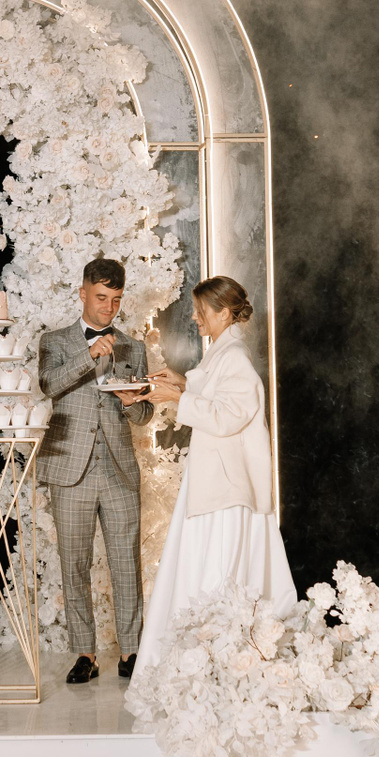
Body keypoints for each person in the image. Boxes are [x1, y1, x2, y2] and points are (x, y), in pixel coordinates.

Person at [132, 275, 295, 676]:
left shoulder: (235, 357)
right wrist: (181, 382)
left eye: (201, 311)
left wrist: (178, 397)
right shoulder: (224, 353)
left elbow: (227, 416)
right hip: (215, 480)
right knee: (208, 565)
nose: (195, 317)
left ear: (223, 313)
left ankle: (212, 664)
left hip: (226, 486)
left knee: (218, 570)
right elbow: (218, 395)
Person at [37, 257, 154, 684]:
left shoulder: (133, 347)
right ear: (83, 293)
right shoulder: (55, 341)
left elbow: (144, 414)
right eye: (102, 298)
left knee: (126, 563)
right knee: (74, 564)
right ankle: (85, 654)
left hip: (119, 470)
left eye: (116, 300)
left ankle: (131, 651)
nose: (109, 308)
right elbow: (48, 385)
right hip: (71, 469)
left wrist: (133, 404)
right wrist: (89, 355)